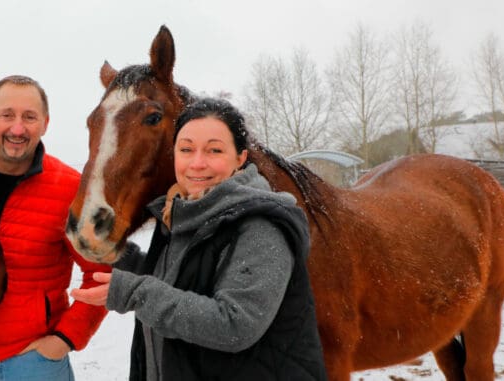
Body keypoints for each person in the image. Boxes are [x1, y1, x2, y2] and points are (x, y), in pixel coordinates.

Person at [71, 98, 327, 380]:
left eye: (214, 150)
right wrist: (120, 256)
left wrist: (135, 292)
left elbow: (234, 325)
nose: (197, 163)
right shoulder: (184, 212)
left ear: (240, 158)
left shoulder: (261, 226)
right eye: (186, 149)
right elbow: (181, 283)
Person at [0, 75, 111, 381]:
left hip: (35, 363)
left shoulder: (72, 188)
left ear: (46, 123)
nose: (17, 128)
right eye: (7, 115)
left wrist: (63, 341)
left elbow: (103, 276)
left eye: (29, 117)